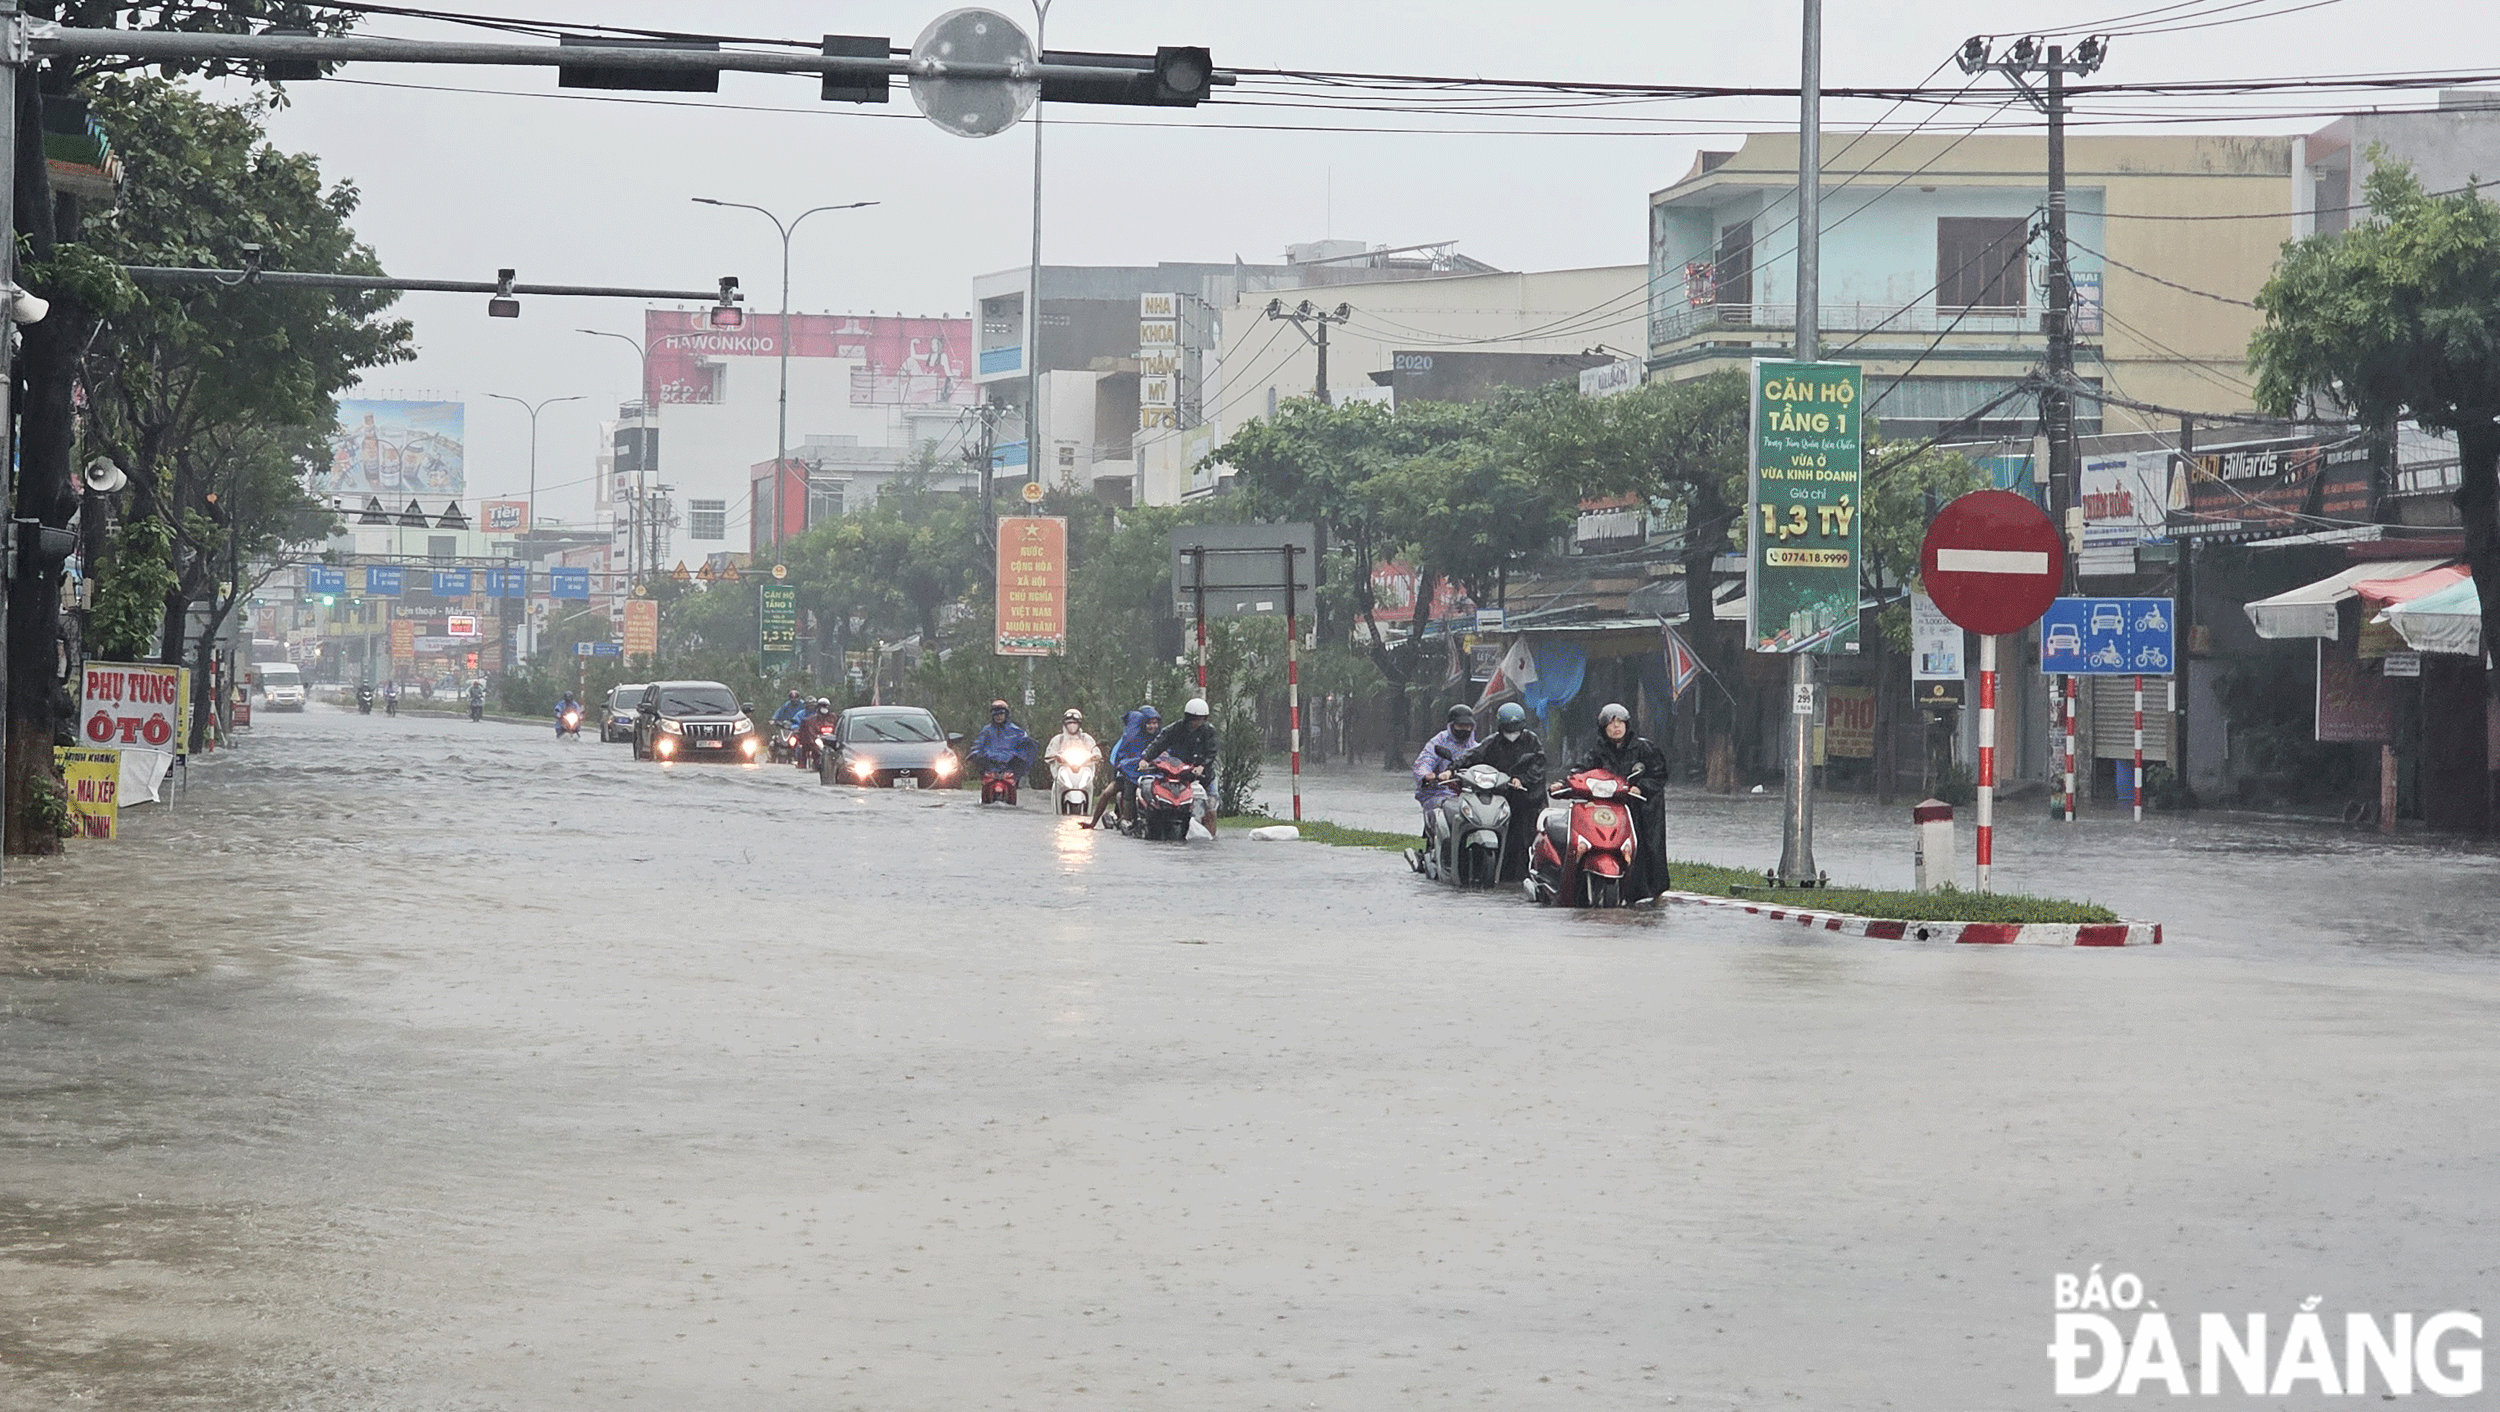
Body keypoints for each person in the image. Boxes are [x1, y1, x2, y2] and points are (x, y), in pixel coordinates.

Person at [1568, 701, 1672, 901]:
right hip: (1610, 808)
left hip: (1641, 808)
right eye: (1611, 724)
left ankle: (1648, 891)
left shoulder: (1645, 748)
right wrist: (1568, 781)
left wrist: (1640, 786)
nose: (1616, 728)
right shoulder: (1598, 750)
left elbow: (1659, 775)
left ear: (1627, 725)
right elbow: (1583, 769)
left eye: (1620, 723)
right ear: (1603, 728)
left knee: (1646, 847)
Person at [1453, 701, 1547, 882]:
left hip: (1529, 801)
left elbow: (1538, 767)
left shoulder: (1532, 742)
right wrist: (1452, 769)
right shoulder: (1492, 743)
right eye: (1508, 730)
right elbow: (1472, 757)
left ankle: (1527, 877)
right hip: (1502, 798)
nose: (1512, 734)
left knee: (1525, 841)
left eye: (1515, 730)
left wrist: (1522, 779)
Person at [1140, 696, 1219, 835]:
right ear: (1188, 717)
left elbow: (1211, 752)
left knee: (1211, 805)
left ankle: (1210, 837)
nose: (1197, 722)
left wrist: (1202, 766)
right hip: (1180, 774)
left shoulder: (1209, 731)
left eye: (1201, 718)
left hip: (1205, 775)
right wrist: (1145, 758)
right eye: (1194, 718)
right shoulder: (1175, 729)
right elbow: (1159, 743)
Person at [1409, 703, 1480, 831]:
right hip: (1439, 793)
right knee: (1444, 814)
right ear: (1451, 725)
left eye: (1467, 726)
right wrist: (1427, 775)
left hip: (1469, 796)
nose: (1464, 730)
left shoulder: (1476, 748)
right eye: (1460, 726)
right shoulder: (1439, 741)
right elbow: (1425, 760)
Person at [1095, 703, 1161, 828]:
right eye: (1149, 723)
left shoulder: (1161, 738)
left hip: (1151, 777)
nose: (1153, 726)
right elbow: (1117, 758)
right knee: (1107, 793)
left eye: (1155, 723)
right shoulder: (1130, 738)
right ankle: (1124, 818)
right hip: (1128, 776)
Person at [969, 700, 1037, 782]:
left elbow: (1025, 745)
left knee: (1012, 783)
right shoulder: (986, 730)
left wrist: (1020, 757)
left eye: (1001, 714)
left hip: (1009, 768)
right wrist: (975, 754)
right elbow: (978, 744)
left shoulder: (1016, 731)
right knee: (986, 783)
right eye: (995, 714)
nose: (998, 717)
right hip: (990, 768)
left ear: (1006, 714)